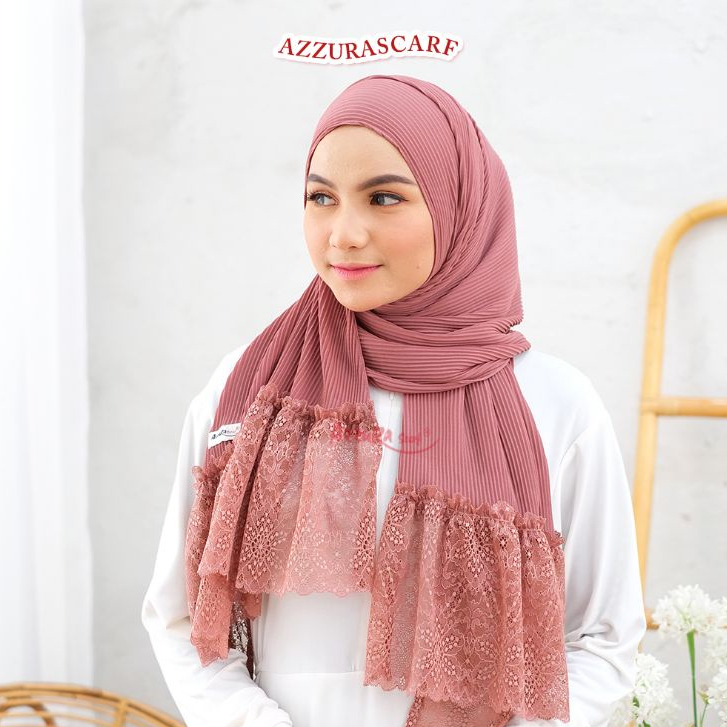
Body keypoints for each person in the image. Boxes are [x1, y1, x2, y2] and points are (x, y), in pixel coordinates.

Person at [141, 74, 647, 727]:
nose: (343, 233)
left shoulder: (557, 404)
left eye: (383, 197)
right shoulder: (247, 389)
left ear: (460, 207)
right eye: (321, 198)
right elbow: (183, 618)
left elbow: (602, 639)